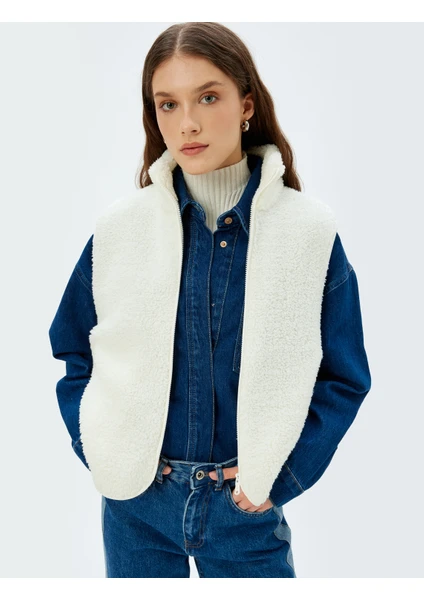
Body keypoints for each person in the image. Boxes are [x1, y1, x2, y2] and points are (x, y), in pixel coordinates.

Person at [48, 22, 372, 578]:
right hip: (136, 507)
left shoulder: (306, 234)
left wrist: (280, 479)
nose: (188, 124)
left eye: (207, 97)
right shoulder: (121, 231)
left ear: (246, 105)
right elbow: (74, 348)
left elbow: (344, 377)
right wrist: (100, 449)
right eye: (168, 104)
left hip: (244, 511)